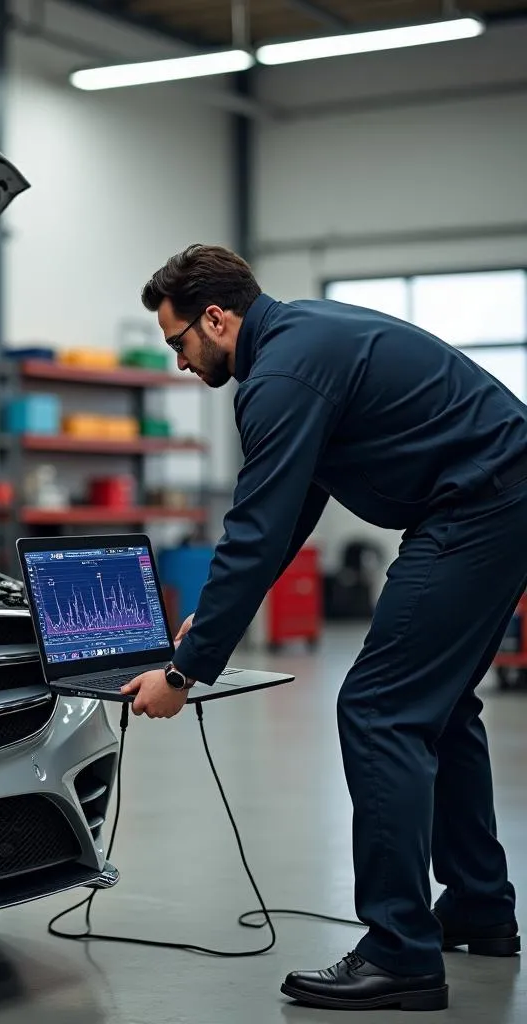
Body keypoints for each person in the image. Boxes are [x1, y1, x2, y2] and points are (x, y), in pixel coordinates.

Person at [120, 244, 526, 1013]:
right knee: (440, 707)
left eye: (179, 342)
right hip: (496, 495)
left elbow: (258, 522)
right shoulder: (300, 341)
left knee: (378, 709)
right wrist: (220, 617)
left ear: (216, 317)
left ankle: (399, 952)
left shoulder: (278, 375)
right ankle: (477, 903)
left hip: (477, 506)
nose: (178, 362)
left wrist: (184, 671)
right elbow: (290, 508)